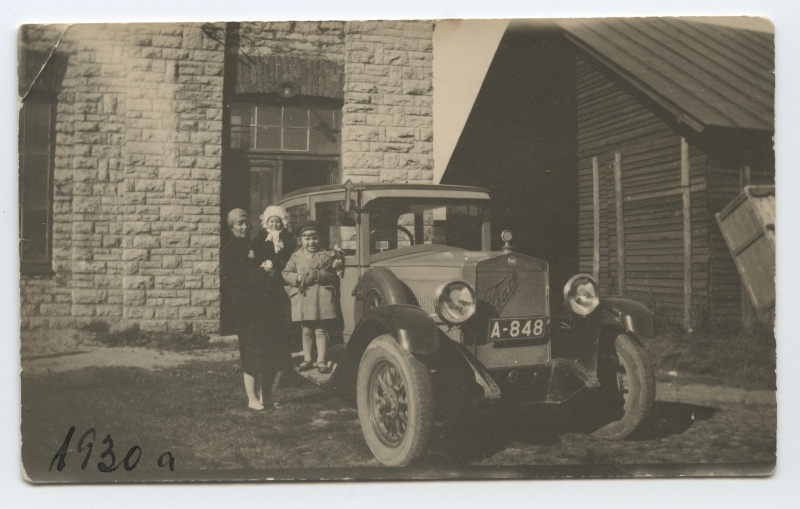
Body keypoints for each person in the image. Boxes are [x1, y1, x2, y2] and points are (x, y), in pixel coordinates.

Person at [220, 208, 290, 412]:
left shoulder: (255, 245)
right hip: (247, 311)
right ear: (231, 227)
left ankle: (266, 397)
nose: (243, 227)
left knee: (270, 352)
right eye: (238, 224)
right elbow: (236, 280)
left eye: (245, 223)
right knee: (251, 353)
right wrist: (261, 273)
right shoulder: (229, 251)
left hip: (266, 307)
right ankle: (252, 398)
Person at [282, 221, 343, 374]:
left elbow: (333, 276)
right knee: (307, 329)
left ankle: (321, 360)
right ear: (300, 240)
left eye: (314, 238)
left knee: (321, 329)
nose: (311, 242)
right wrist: (300, 277)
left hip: (320, 298)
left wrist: (319, 275)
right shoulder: (295, 257)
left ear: (319, 238)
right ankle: (307, 358)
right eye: (307, 239)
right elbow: (286, 273)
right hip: (304, 298)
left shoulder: (326, 255)